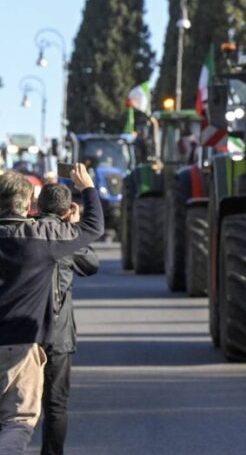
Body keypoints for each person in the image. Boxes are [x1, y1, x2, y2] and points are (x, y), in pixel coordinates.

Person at [0, 165, 101, 455]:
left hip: (29, 341)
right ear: (27, 205)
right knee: (19, 420)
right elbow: (93, 229)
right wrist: (89, 189)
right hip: (25, 343)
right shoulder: (41, 238)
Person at [35, 184, 99, 455]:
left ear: (37, 207)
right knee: (56, 406)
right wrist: (72, 227)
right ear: (67, 210)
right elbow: (91, 264)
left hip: (22, 333)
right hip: (59, 336)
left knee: (13, 405)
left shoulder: (26, 232)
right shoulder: (66, 236)